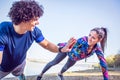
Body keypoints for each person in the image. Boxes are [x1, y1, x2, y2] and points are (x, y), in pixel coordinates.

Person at [0, 0, 76, 80]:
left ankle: (21, 76)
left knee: (20, 73)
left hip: (20, 63)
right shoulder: (3, 31)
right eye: (35, 19)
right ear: (24, 19)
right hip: (3, 68)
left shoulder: (34, 31)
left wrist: (61, 49)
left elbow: (46, 44)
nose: (38, 23)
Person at [37, 27, 109, 80]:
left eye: (93, 38)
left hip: (74, 58)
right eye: (89, 35)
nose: (89, 38)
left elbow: (103, 64)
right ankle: (41, 74)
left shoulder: (97, 49)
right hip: (67, 50)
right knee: (54, 62)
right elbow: (73, 44)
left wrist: (106, 79)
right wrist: (62, 45)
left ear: (99, 40)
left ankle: (60, 74)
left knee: (65, 68)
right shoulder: (83, 40)